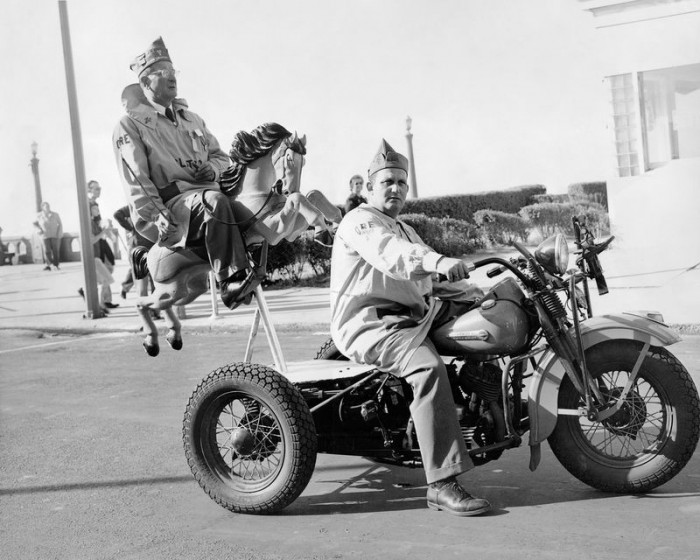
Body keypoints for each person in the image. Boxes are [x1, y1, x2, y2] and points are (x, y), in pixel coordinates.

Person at [329, 140, 491, 517]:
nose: (397, 188)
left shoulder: (403, 227)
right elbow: (394, 257)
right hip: (371, 321)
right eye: (387, 182)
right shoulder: (361, 222)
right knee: (428, 370)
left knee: (485, 322)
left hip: (410, 315)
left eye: (402, 182)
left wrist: (478, 292)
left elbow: (433, 282)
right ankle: (441, 483)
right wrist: (437, 259)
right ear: (369, 188)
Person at [112, 37, 254, 309]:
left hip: (205, 197)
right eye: (163, 73)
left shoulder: (193, 119)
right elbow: (136, 179)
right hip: (171, 205)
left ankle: (253, 271)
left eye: (173, 72)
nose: (172, 78)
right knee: (215, 204)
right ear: (144, 83)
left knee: (250, 214)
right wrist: (156, 214)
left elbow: (221, 158)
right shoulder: (130, 125)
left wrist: (210, 169)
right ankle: (230, 280)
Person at [81, 180, 119, 311]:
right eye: (96, 189)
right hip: (95, 245)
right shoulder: (88, 204)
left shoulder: (94, 204)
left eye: (100, 188)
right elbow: (95, 226)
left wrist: (107, 230)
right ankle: (101, 302)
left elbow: (99, 222)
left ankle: (103, 301)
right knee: (104, 274)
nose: (99, 191)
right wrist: (105, 231)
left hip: (99, 242)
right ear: (89, 190)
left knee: (107, 270)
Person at [33, 202, 63, 270]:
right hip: (44, 235)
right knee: (47, 250)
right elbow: (34, 224)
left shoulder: (55, 214)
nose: (47, 207)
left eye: (48, 206)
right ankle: (48, 265)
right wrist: (39, 230)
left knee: (55, 250)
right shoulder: (39, 215)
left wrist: (59, 233)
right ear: (42, 207)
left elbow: (60, 224)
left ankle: (56, 265)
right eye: (45, 206)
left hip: (54, 235)